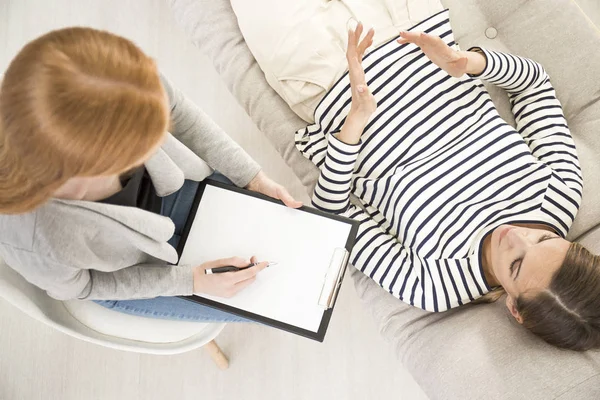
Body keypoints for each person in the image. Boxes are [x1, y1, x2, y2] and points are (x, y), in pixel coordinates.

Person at [295, 14, 600, 350]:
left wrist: (356, 119)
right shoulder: (560, 193)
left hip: (324, 76)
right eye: (543, 238)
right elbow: (534, 84)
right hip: (408, 23)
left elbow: (334, 219)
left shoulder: (433, 285)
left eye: (516, 264)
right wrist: (467, 62)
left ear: (514, 309)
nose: (515, 235)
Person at [0, 27, 302, 323]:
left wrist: (252, 177)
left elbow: (180, 113)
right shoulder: (35, 239)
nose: (156, 146)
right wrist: (191, 281)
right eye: (140, 148)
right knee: (269, 300)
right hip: (118, 272)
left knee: (284, 258)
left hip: (166, 194)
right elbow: (85, 286)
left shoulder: (112, 77)